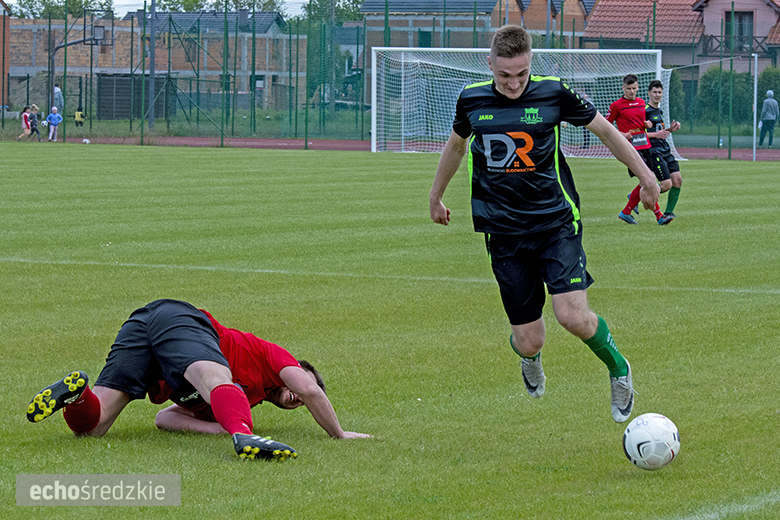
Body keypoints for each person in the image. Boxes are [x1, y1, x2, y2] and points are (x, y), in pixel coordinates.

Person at [428, 25, 659, 423]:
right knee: (530, 338)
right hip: (502, 231)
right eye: (504, 76)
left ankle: (619, 369)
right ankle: (529, 356)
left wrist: (646, 175)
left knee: (572, 316)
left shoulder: (554, 91)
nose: (514, 83)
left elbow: (606, 130)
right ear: (490, 65)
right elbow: (456, 145)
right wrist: (435, 196)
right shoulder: (471, 100)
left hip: (556, 223)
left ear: (530, 62)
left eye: (521, 74)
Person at [27, 299, 371, 461]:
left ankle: (75, 394)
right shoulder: (274, 358)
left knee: (93, 425)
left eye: (297, 403)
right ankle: (247, 439)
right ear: (295, 368)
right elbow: (310, 389)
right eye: (300, 384)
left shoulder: (241, 402)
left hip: (146, 341)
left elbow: (165, 418)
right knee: (215, 376)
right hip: (175, 317)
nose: (299, 395)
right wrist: (339, 434)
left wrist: (221, 427)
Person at [608, 75, 666, 225]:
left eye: (634, 88)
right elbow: (606, 127)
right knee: (647, 180)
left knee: (646, 181)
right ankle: (659, 216)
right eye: (628, 89)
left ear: (638, 87)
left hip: (646, 146)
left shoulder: (641, 103)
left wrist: (646, 124)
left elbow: (641, 122)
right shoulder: (616, 106)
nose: (631, 92)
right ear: (623, 88)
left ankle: (626, 212)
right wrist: (622, 134)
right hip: (631, 149)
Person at [633, 80, 682, 225]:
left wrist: (670, 130)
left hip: (664, 148)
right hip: (654, 151)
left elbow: (659, 132)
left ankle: (668, 212)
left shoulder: (658, 111)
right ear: (649, 93)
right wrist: (655, 135)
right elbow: (637, 135)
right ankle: (637, 197)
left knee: (678, 180)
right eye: (654, 92)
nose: (657, 95)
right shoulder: (644, 111)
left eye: (659, 92)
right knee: (666, 185)